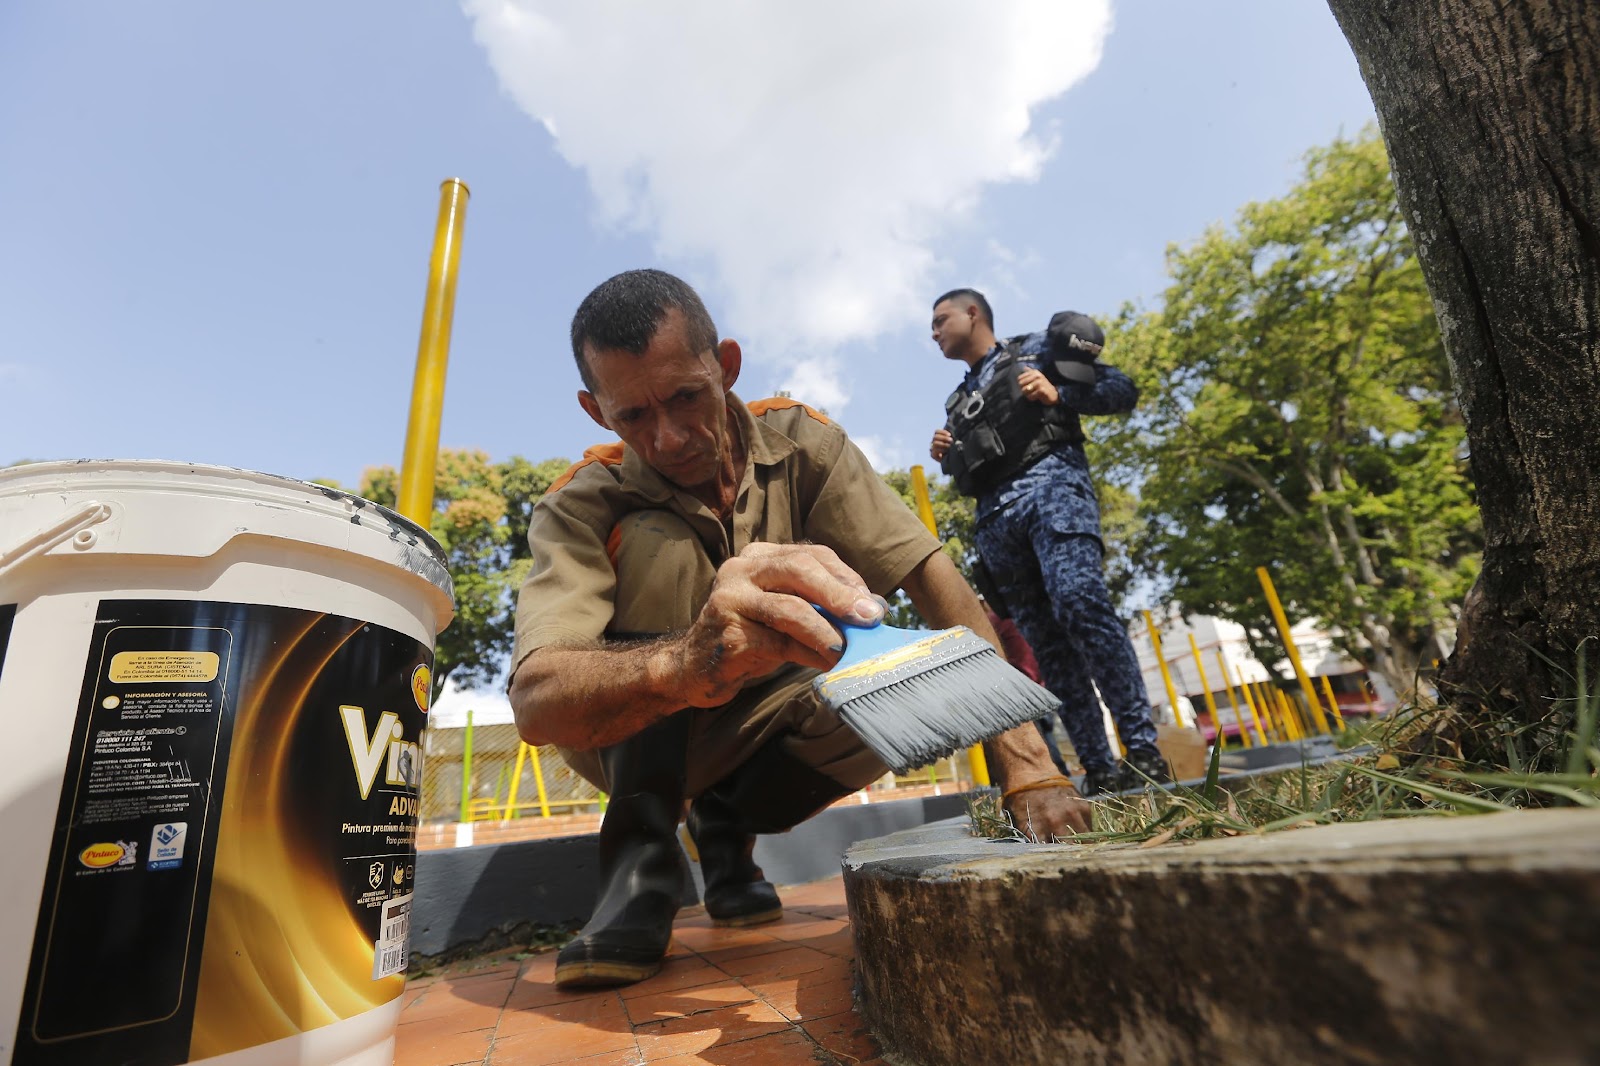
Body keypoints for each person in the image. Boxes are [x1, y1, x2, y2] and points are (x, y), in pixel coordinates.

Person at [508, 269, 1091, 990]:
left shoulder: (804, 443)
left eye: (687, 396)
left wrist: (1027, 764)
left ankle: (724, 829)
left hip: (773, 717)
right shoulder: (581, 503)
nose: (667, 437)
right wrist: (685, 666)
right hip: (636, 739)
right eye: (632, 416)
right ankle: (642, 857)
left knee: (900, 684)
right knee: (655, 544)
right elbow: (536, 701)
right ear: (596, 412)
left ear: (725, 367)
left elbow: (933, 581)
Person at [927, 288, 1170, 796]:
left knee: (1082, 605)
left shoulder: (1038, 349)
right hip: (997, 526)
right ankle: (1098, 768)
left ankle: (1143, 751)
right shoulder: (959, 400)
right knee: (1051, 652)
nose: (934, 331)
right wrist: (947, 450)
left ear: (973, 314)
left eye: (941, 319)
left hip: (1054, 494)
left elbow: (1121, 391)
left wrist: (1060, 394)